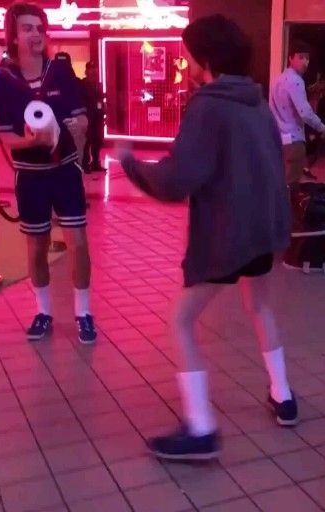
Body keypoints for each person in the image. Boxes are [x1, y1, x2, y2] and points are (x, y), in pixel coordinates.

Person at [120, 14, 297, 461]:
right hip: (263, 231)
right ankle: (283, 396)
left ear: (205, 58)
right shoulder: (254, 102)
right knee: (259, 305)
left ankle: (200, 428)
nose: (185, 61)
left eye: (188, 54)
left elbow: (180, 178)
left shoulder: (208, 105)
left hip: (229, 236)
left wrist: (132, 166)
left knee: (181, 321)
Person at [0, 2, 96, 344]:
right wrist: (29, 139)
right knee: (36, 247)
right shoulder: (3, 83)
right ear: (14, 36)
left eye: (39, 28)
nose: (36, 34)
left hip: (65, 171)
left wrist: (79, 128)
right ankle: (44, 311)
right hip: (31, 176)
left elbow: (81, 117)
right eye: (28, 28)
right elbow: (6, 139)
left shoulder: (60, 72)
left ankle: (83, 313)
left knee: (78, 243)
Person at [270, 40, 325, 186]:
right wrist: (321, 127)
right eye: (301, 57)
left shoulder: (278, 80)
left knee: (280, 183)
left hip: (279, 140)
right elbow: (305, 112)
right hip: (294, 141)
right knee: (291, 186)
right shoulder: (296, 81)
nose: (305, 62)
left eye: (307, 58)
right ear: (290, 58)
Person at [81, 61, 106, 173]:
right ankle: (85, 164)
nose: (93, 72)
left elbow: (100, 100)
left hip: (98, 118)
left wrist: (104, 111)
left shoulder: (98, 85)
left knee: (97, 141)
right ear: (86, 72)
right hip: (88, 117)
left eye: (95, 70)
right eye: (91, 70)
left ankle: (95, 163)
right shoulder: (82, 85)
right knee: (87, 142)